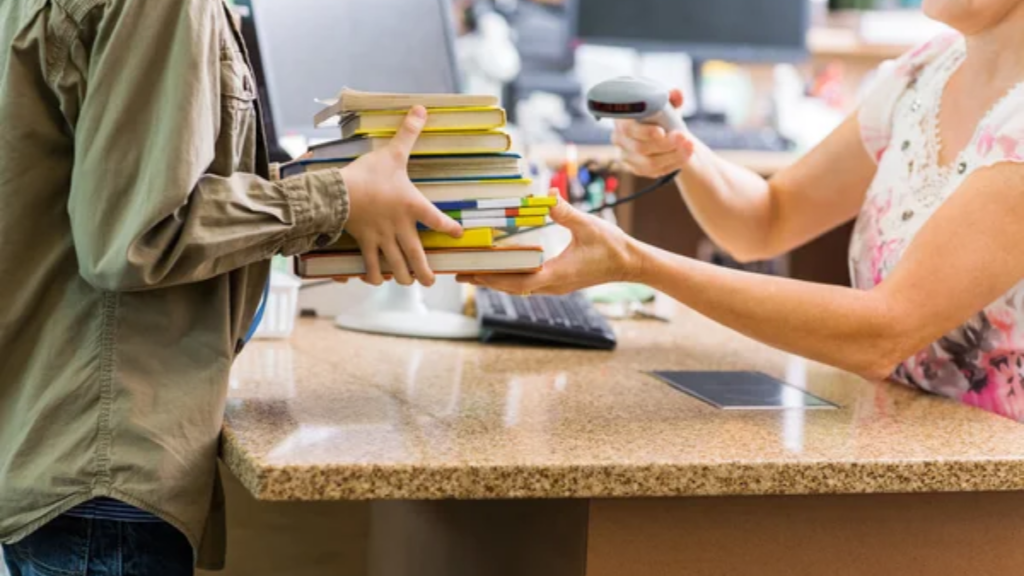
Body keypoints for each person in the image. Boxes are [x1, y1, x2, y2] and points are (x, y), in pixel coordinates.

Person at [0, 0, 458, 573]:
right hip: (103, 460)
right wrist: (330, 200)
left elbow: (132, 183)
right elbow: (132, 235)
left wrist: (334, 209)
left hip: (69, 441)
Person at [461, 0, 1024, 423]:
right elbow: (767, 220)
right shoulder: (923, 73)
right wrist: (679, 147)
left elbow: (883, 332)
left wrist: (636, 263)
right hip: (895, 438)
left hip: (989, 481)